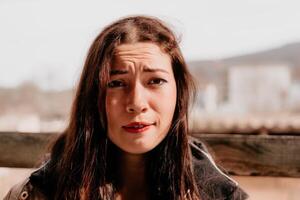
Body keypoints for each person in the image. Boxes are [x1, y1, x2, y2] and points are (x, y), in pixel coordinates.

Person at [4, 15, 248, 200]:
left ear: (179, 92)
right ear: (93, 95)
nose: (136, 103)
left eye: (155, 81)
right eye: (117, 83)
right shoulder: (41, 191)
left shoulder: (217, 192)